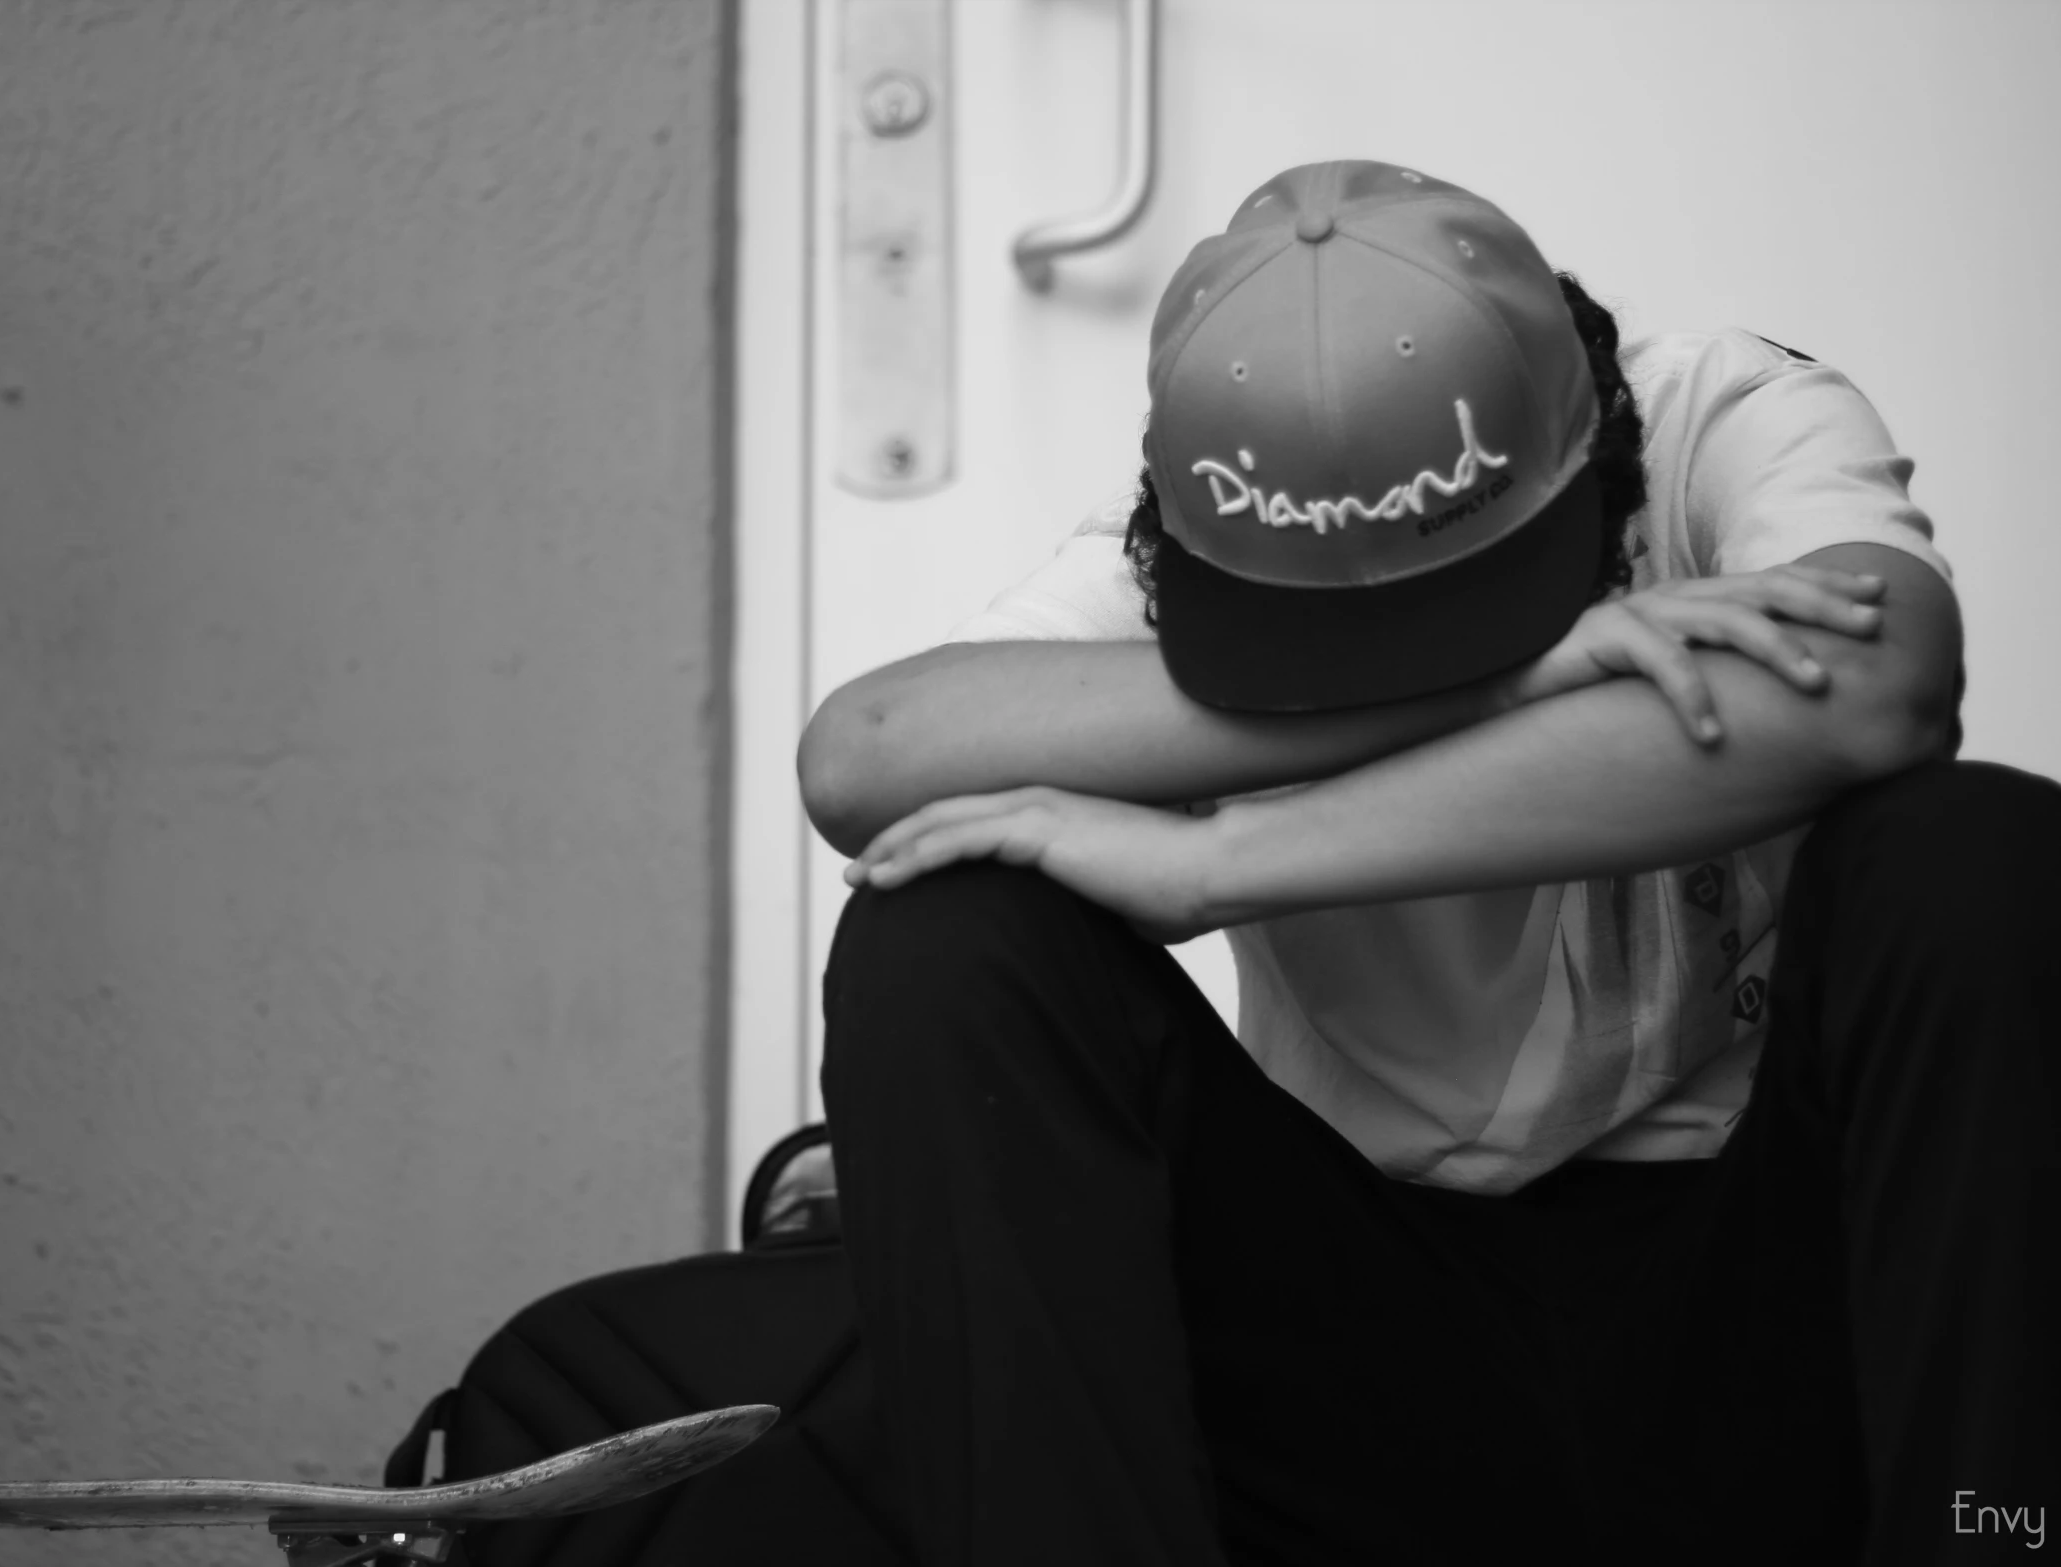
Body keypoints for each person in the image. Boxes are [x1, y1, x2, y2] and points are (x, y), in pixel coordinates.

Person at [799, 161, 2055, 1566]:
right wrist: (1509, 674)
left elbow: (1882, 686)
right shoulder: (1206, 526)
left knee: (1973, 854)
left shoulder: (1730, 415)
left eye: (1474, 613)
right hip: (1366, 1339)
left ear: (1595, 472)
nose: (1413, 650)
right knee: (947, 934)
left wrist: (1217, 867)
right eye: (1330, 644)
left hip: (1764, 1313)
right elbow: (863, 755)